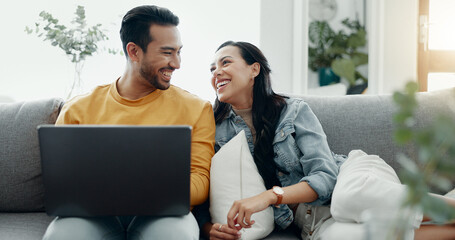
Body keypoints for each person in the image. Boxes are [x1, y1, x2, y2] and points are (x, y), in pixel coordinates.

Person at [201, 41, 455, 240]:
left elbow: (324, 176)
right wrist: (211, 228)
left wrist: (270, 196)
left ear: (254, 69)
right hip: (312, 219)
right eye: (212, 68)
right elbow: (202, 195)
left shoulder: (293, 110)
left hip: (349, 177)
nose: (217, 72)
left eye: (225, 62)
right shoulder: (212, 128)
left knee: (347, 200)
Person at [42, 5, 215, 240]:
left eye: (178, 52)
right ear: (134, 51)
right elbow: (61, 184)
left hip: (165, 215)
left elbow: (200, 180)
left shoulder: (197, 108)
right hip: (93, 216)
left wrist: (143, 193)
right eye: (167, 52)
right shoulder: (78, 109)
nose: (176, 63)